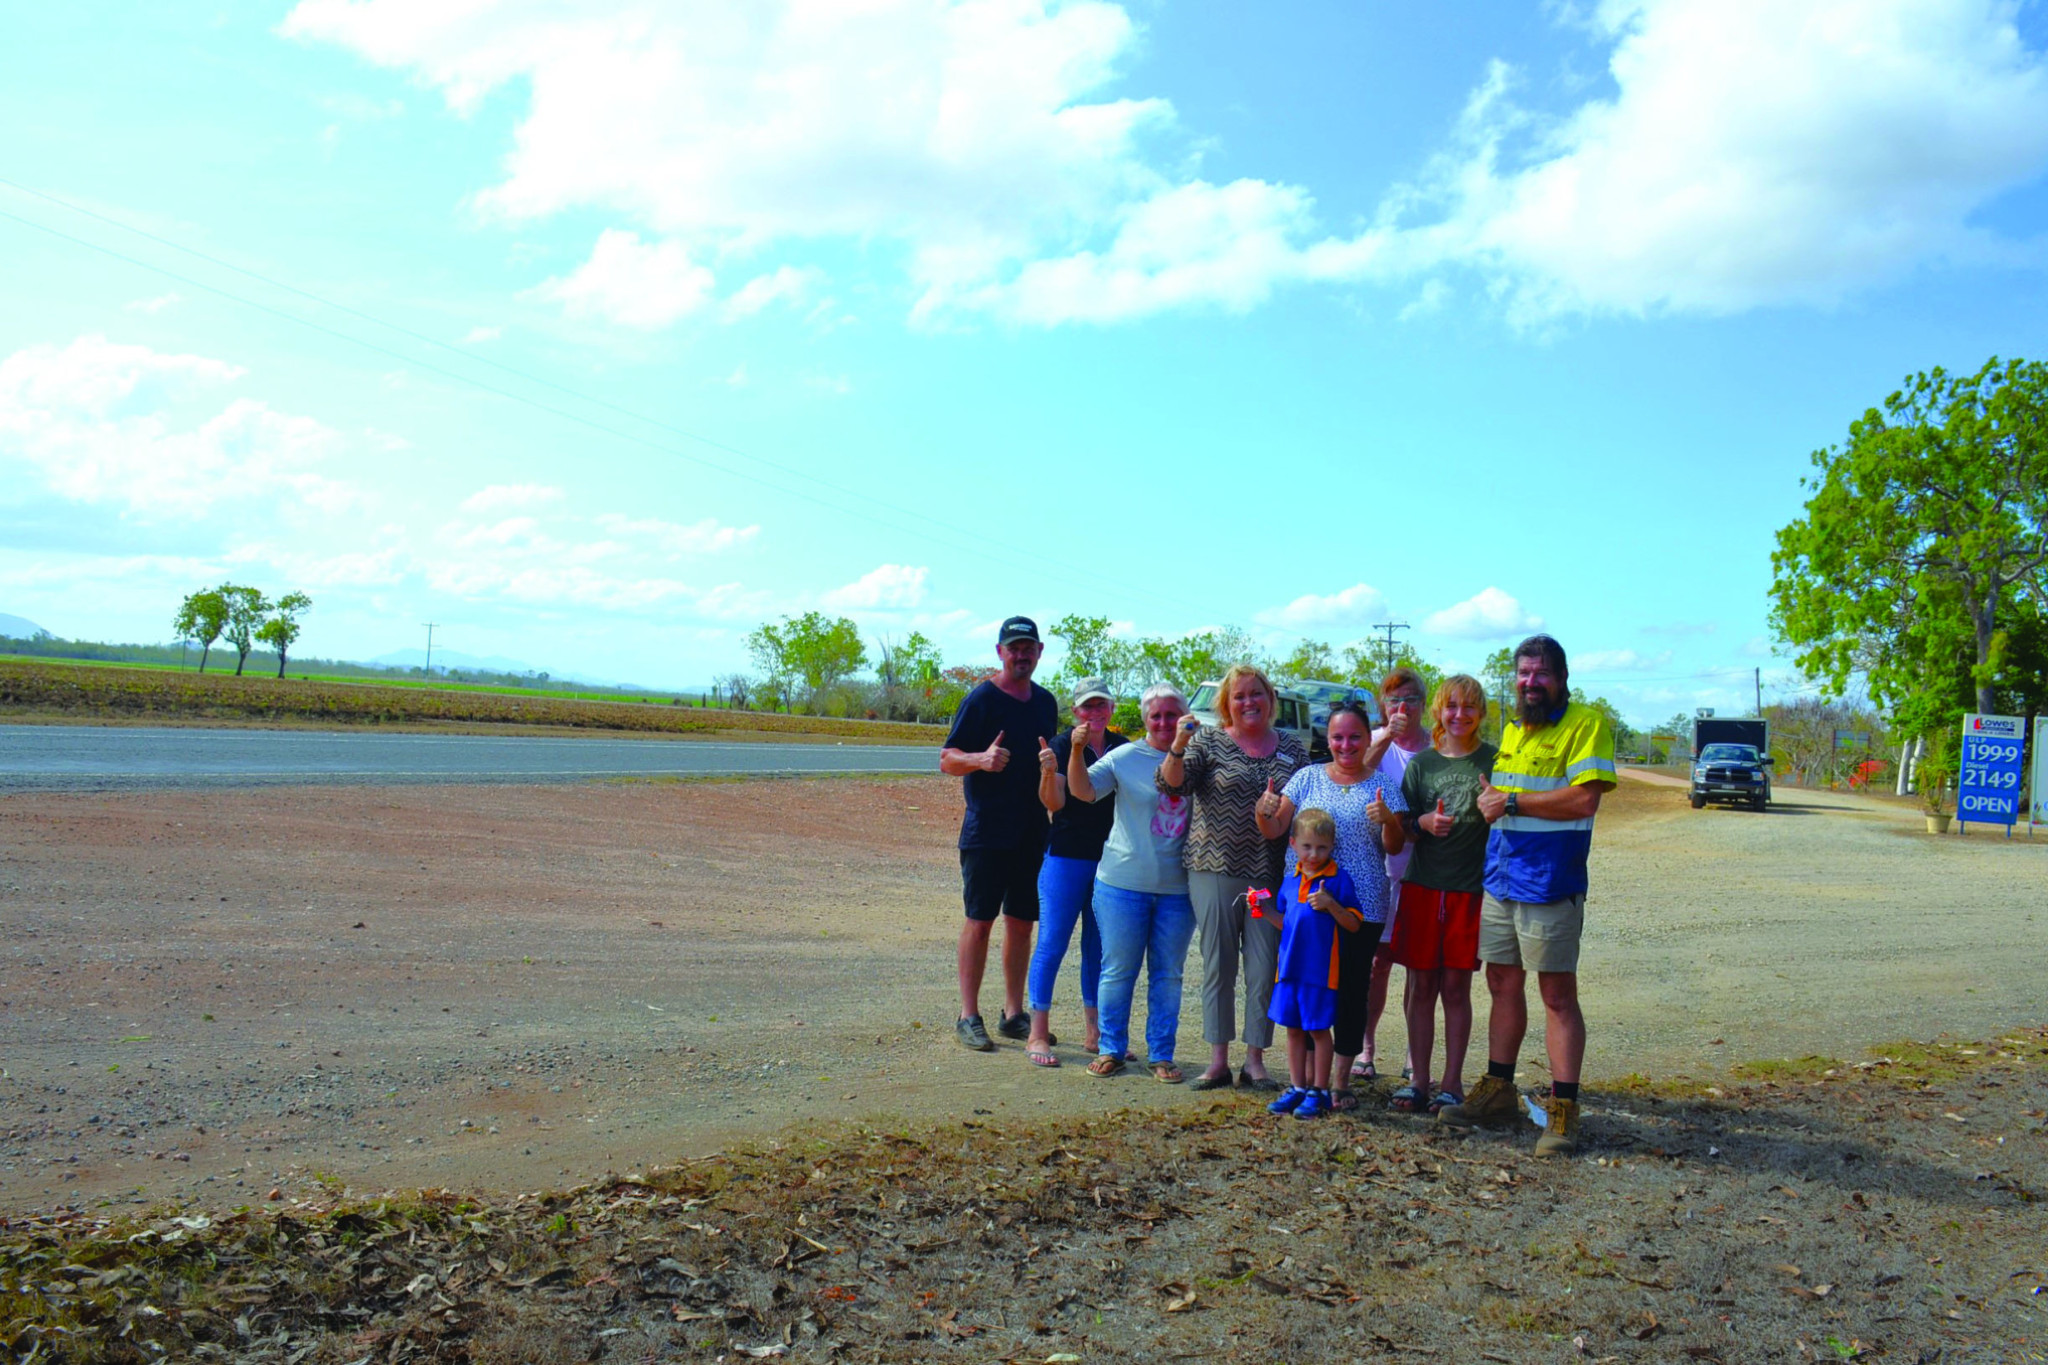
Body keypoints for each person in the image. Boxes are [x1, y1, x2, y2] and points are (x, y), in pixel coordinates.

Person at [1439, 635, 1616, 1157]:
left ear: (1561, 678)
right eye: (1523, 673)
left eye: (1541, 674)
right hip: (1502, 879)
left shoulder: (1586, 724)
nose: (1530, 682)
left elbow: (1586, 798)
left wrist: (1511, 800)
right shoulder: (1514, 729)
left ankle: (1564, 1110)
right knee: (1501, 983)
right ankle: (1498, 1090)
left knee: (1557, 996)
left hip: (1550, 882)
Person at [1156, 663, 1308, 1091]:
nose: (1248, 702)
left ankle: (1255, 1060)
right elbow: (1171, 786)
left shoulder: (1292, 748)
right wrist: (1179, 746)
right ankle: (1217, 1060)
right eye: (1239, 696)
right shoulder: (1209, 741)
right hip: (1214, 868)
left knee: (1263, 968)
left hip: (1269, 873)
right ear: (1226, 703)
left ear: (1270, 699)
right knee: (1218, 965)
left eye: (1256, 694)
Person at [1252, 698, 1406, 1112]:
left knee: (1352, 991)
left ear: (1366, 737)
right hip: (1306, 908)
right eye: (1338, 736)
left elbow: (1395, 847)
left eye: (1355, 736)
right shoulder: (1305, 779)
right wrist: (1263, 811)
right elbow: (1275, 828)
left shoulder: (1384, 785)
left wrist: (1389, 819)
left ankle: (1339, 1083)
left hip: (1363, 906)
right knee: (1305, 988)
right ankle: (1305, 1084)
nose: (1346, 744)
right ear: (1328, 738)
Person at [940, 616, 1060, 1053]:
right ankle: (967, 1014)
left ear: (1040, 652)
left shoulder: (1045, 702)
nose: (1021, 654)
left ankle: (1013, 1013)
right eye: (1014, 647)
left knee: (1022, 922)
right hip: (986, 830)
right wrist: (980, 759)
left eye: (1029, 647)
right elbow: (947, 759)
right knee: (980, 921)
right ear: (1000, 652)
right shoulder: (981, 700)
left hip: (1032, 831)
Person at [1065, 683, 1196, 1080]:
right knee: (1118, 970)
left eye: (1171, 714)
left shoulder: (1200, 758)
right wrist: (1074, 751)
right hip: (1121, 883)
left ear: (1185, 717)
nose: (1163, 722)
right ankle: (1111, 1049)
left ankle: (1161, 1054)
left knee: (1168, 974)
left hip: (1178, 889)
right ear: (1144, 719)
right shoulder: (1124, 757)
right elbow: (1083, 791)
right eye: (1155, 715)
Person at [1386, 675, 1496, 1114]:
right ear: (1438, 712)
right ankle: (1418, 1080)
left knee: (1456, 987)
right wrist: (1424, 824)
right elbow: (1401, 827)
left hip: (1469, 890)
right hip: (1422, 886)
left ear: (1480, 713)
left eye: (1469, 707)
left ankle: (1452, 1083)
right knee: (1419, 985)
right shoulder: (1422, 765)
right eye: (1451, 706)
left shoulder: (1494, 760)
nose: (1459, 715)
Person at [1024, 677, 1128, 1066]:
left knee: (1098, 947)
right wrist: (1048, 772)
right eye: (1087, 707)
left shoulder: (1121, 748)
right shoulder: (1061, 745)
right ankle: (1037, 1033)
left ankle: (1094, 1032)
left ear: (1111, 710)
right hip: (1066, 856)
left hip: (1110, 859)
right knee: (1052, 941)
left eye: (1101, 706)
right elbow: (1054, 803)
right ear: (1075, 712)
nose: (1095, 713)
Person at [1262, 808, 1366, 1120]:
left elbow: (1354, 924)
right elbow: (1286, 921)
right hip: (1289, 970)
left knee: (1319, 1030)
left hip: (1321, 973)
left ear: (1332, 846)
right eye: (1307, 846)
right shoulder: (1290, 880)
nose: (1314, 853)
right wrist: (1263, 911)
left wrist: (1331, 905)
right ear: (1293, 844)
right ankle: (1298, 1087)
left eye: (1321, 847)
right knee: (1293, 1029)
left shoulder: (1338, 879)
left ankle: (1320, 1090)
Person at [1357, 667, 1432, 1084]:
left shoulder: (1436, 750)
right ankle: (1366, 1049)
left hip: (1423, 869)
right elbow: (1356, 776)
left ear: (1423, 705)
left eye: (1410, 701)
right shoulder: (1375, 743)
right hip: (1380, 868)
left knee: (1419, 967)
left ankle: (1412, 1054)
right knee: (1377, 964)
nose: (1402, 708)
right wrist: (1383, 735)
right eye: (1393, 701)